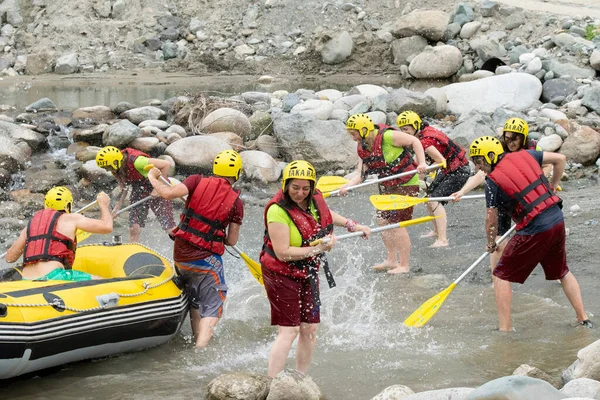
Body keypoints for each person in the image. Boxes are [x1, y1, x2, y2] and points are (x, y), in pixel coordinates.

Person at [260, 160, 371, 378]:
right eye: (295, 188)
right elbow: (283, 252)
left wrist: (352, 225)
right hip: (280, 274)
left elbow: (326, 213)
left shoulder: (313, 199)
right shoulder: (277, 211)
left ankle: (300, 378)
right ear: (285, 185)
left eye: (305, 188)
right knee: (289, 330)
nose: (300, 193)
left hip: (306, 271)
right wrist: (319, 248)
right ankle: (272, 382)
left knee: (309, 328)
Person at [468, 136, 591, 331]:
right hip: (556, 218)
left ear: (491, 156)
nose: (477, 167)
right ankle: (583, 318)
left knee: (500, 275)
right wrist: (553, 185)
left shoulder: (492, 182)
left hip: (535, 227)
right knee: (563, 271)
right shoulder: (527, 154)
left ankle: (504, 330)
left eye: (479, 161)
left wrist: (491, 243)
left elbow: (490, 218)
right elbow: (560, 159)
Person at [147, 149, 244, 348]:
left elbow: (166, 193)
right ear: (237, 174)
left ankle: (196, 339)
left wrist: (152, 177)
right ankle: (200, 350)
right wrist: (216, 233)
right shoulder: (237, 202)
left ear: (215, 169)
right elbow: (232, 240)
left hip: (181, 256)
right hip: (204, 260)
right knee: (213, 305)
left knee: (195, 300)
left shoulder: (195, 181)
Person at [451, 118, 550, 273]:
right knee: (499, 239)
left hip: (528, 197)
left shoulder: (533, 148)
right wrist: (462, 191)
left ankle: (554, 271)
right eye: (507, 137)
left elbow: (549, 164)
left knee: (540, 235)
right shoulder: (497, 149)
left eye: (514, 138)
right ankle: (496, 276)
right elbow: (481, 173)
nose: (510, 142)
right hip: (505, 196)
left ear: (523, 137)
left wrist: (540, 183)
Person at [342, 113, 427, 274]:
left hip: (406, 184)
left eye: (353, 133)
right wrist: (347, 186)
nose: (352, 138)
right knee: (382, 220)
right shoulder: (363, 146)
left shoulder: (388, 136)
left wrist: (422, 162)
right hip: (388, 187)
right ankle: (391, 260)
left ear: (364, 130)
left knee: (396, 223)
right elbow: (360, 175)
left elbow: (415, 141)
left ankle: (404, 265)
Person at [396, 111, 470, 248]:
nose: (403, 132)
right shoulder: (422, 133)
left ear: (416, 126)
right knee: (429, 197)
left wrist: (425, 170)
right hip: (451, 169)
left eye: (406, 129)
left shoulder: (425, 141)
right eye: (401, 130)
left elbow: (441, 161)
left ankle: (443, 239)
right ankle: (436, 231)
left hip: (459, 170)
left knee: (434, 200)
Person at [5, 186, 113, 281]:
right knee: (102, 282)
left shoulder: (31, 225)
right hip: (54, 276)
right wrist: (104, 204)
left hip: (27, 279)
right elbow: (107, 227)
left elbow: (10, 258)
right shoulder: (70, 218)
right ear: (68, 205)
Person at [96, 146, 176, 243]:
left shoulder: (138, 162)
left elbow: (165, 164)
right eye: (105, 168)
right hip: (139, 189)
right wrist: (118, 206)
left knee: (169, 228)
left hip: (158, 187)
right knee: (134, 229)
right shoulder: (116, 169)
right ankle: (132, 253)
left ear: (115, 161)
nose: (108, 170)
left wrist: (157, 188)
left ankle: (186, 247)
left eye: (107, 167)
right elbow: (125, 187)